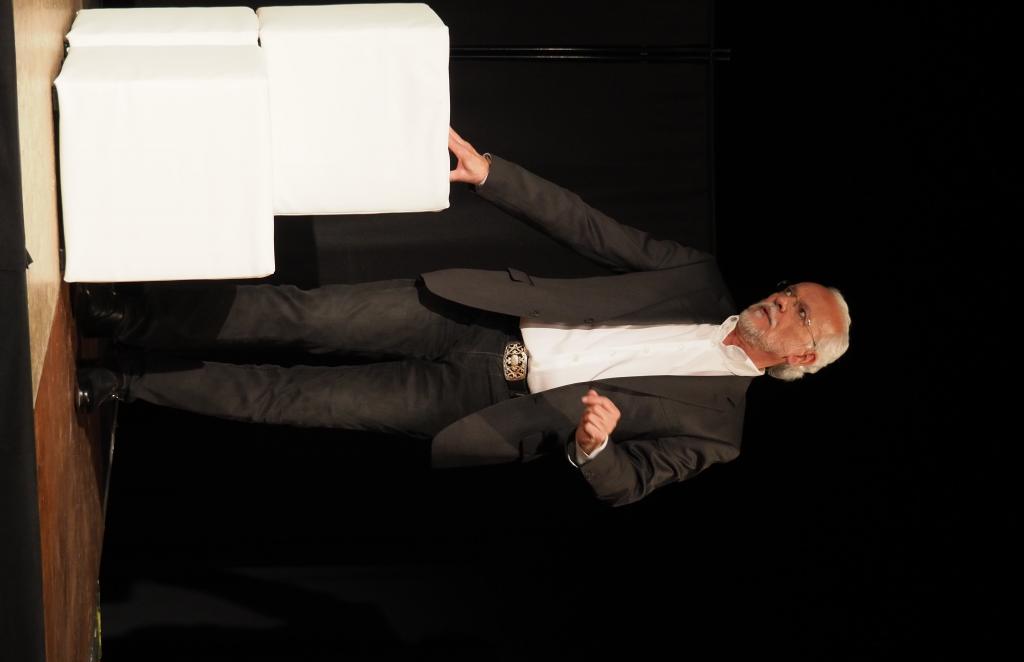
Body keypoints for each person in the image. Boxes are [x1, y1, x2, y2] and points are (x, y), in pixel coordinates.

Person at [75, 127, 851, 506]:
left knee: (291, 398)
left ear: (803, 357)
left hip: (481, 403)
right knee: (301, 314)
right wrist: (493, 177)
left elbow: (629, 485)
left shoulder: (718, 435)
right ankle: (129, 316)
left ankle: (126, 382)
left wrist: (596, 446)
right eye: (789, 291)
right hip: (475, 317)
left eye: (798, 313)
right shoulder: (697, 278)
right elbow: (591, 228)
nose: (780, 300)